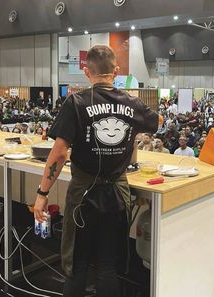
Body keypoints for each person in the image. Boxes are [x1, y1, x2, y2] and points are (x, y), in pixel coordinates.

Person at [33, 45, 158, 297]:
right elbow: (156, 122)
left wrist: (42, 193)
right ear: (116, 70)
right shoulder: (132, 103)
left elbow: (58, 153)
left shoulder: (76, 102)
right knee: (108, 266)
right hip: (117, 195)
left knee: (76, 265)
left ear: (85, 70)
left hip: (83, 196)